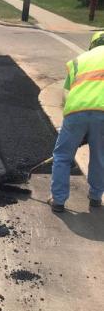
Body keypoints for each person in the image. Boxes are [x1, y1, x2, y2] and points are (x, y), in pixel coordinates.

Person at [49, 31, 104, 212]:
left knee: (62, 156)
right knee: (99, 157)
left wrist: (77, 125)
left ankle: (58, 201)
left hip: (76, 111)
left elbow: (66, 95)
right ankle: (95, 197)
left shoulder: (78, 61)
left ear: (92, 44)